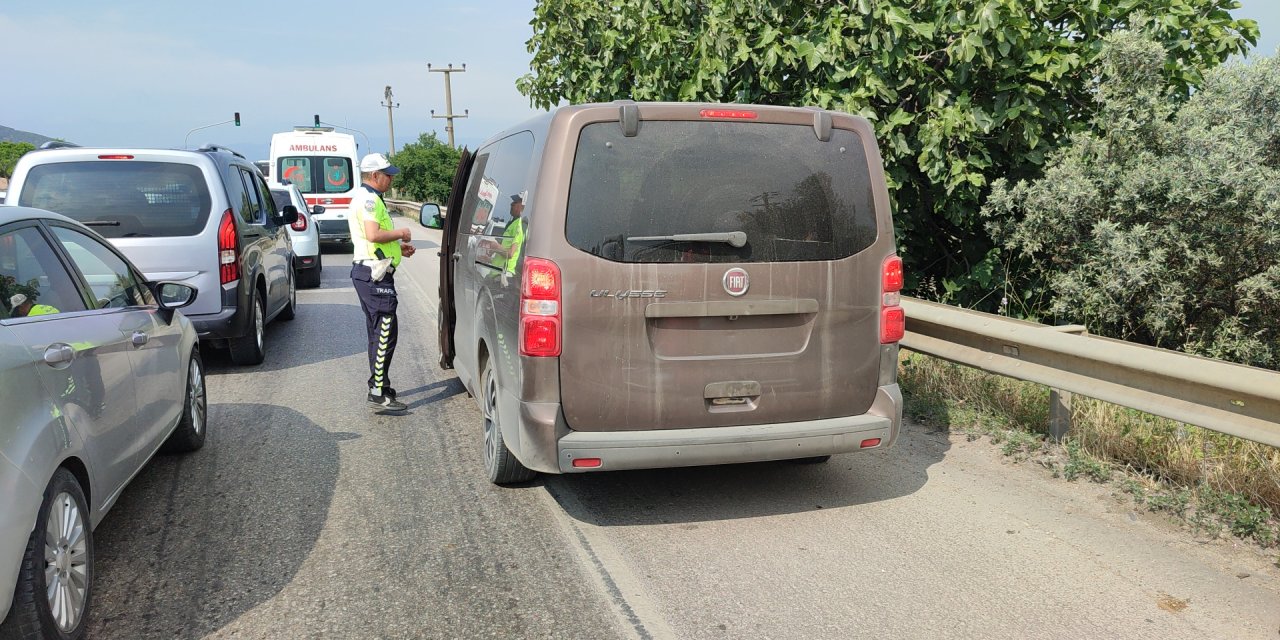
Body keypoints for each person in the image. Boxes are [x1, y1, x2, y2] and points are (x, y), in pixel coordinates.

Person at [349, 153, 416, 412]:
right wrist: (401, 232)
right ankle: (377, 391)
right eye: (387, 174)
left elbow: (374, 239)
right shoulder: (368, 200)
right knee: (385, 332)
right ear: (374, 175)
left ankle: (380, 385)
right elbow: (372, 234)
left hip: (374, 272)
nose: (391, 179)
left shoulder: (370, 198)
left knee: (379, 332)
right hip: (373, 275)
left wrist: (398, 248)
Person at [485, 191, 528, 286]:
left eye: (515, 202)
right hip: (496, 273)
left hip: (503, 277)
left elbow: (511, 254)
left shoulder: (519, 225)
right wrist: (489, 259)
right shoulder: (513, 223)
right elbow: (505, 254)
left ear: (523, 206)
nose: (511, 204)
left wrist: (495, 246)